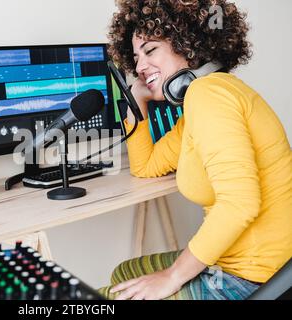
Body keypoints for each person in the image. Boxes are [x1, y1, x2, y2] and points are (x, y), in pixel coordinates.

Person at [99, 0, 292, 300]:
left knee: (107, 297)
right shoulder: (203, 101)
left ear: (188, 44)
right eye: (136, 58)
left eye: (150, 51)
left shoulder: (208, 95)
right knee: (124, 274)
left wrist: (172, 276)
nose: (138, 67)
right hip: (248, 267)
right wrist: (137, 102)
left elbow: (239, 204)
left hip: (252, 279)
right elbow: (147, 166)